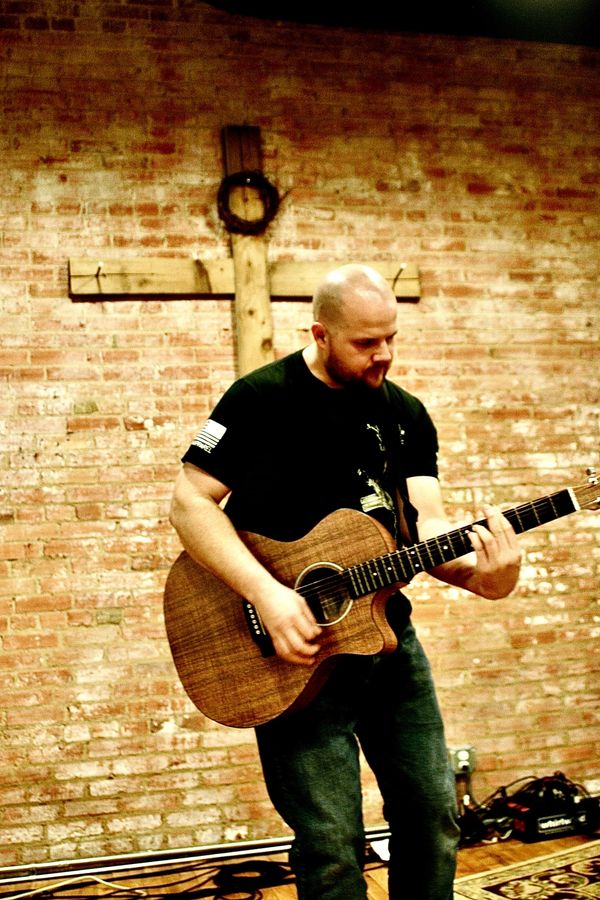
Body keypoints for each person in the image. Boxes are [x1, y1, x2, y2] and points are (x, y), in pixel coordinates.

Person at [169, 264, 522, 899]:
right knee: (331, 845)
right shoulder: (258, 400)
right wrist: (268, 595)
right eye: (366, 342)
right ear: (322, 334)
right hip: (287, 656)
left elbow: (427, 533)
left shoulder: (406, 415)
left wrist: (489, 577)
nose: (382, 354)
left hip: (387, 646)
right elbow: (189, 504)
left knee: (433, 817)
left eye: (391, 338)